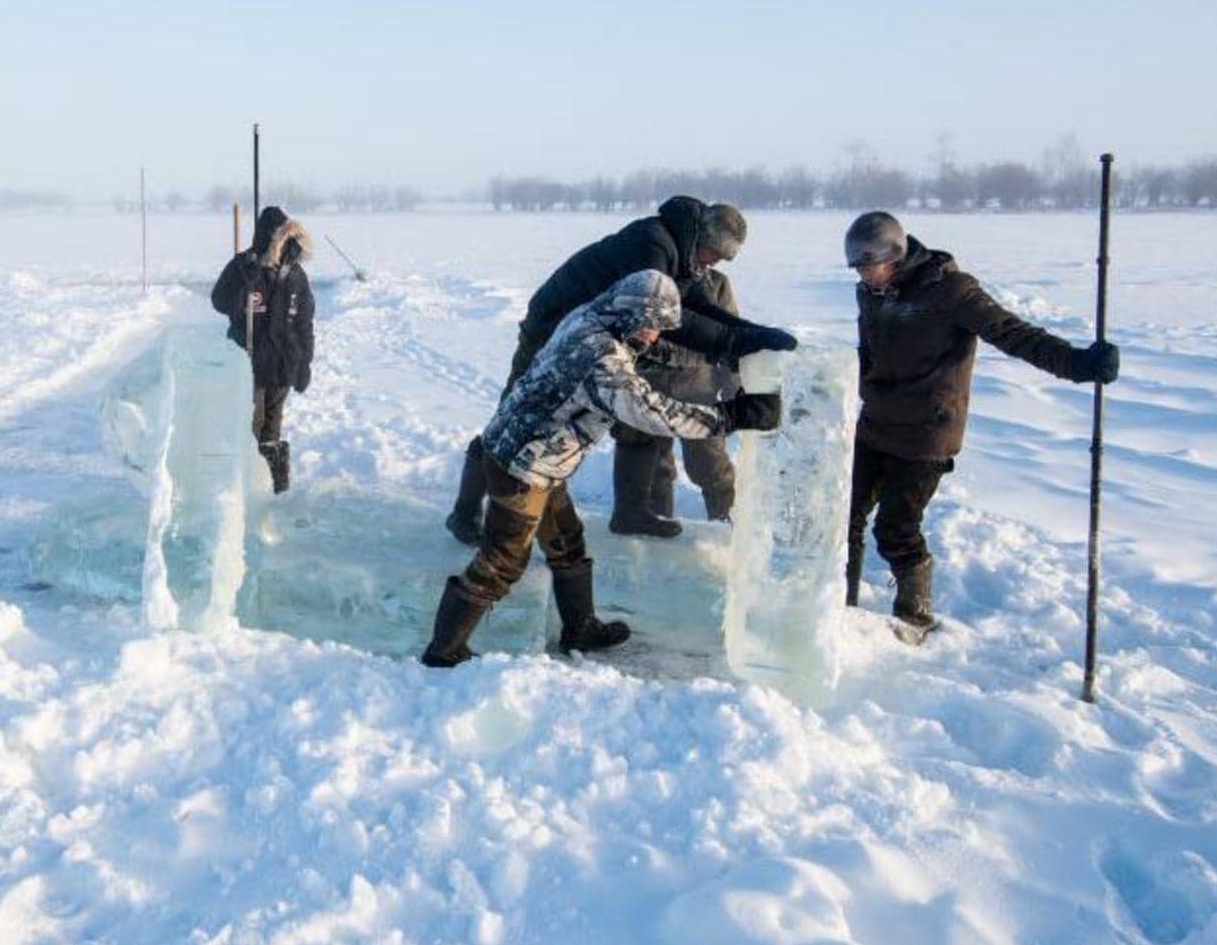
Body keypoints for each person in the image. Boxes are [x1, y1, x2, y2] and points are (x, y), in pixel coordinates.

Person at [420, 270, 785, 668]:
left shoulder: (592, 316)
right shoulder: (599, 356)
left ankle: (581, 628)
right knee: (503, 562)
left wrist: (724, 347)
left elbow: (639, 353)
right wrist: (730, 416)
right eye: (650, 327)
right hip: (523, 466)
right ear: (631, 315)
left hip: (537, 457)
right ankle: (444, 650)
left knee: (566, 543)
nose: (653, 337)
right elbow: (652, 412)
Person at [444, 197, 796, 544]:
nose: (714, 263)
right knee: (513, 420)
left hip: (588, 335)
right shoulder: (653, 245)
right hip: (550, 331)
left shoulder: (684, 256)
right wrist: (732, 344)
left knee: (551, 425)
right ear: (700, 238)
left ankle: (557, 502)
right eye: (714, 254)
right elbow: (673, 319)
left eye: (723, 259)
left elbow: (699, 304)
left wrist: (753, 334)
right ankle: (465, 512)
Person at [845, 210, 1120, 643]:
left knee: (895, 529)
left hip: (926, 432)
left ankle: (914, 619)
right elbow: (869, 354)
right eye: (857, 268)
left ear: (895, 256)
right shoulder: (871, 294)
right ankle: (840, 607)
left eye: (868, 265)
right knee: (846, 515)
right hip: (877, 422)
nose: (863, 276)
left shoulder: (951, 290)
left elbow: (1014, 334)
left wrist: (1076, 364)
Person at [610, 261, 740, 536]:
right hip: (649, 384)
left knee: (711, 465)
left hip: (698, 388)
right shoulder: (650, 279)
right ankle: (657, 526)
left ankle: (728, 528)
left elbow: (731, 338)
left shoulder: (716, 283)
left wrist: (733, 386)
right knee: (656, 466)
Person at [210, 205, 315, 494]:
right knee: (249, 429)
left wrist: (304, 363)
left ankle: (273, 491)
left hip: (282, 367)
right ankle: (242, 490)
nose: (282, 246)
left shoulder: (295, 274)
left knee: (272, 431)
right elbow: (219, 301)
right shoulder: (245, 266)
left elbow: (304, 323)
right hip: (249, 366)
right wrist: (245, 279)